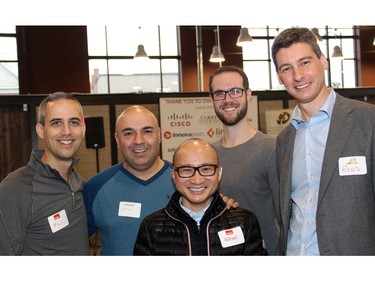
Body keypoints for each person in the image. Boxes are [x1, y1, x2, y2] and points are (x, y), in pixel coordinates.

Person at [271, 27, 375, 255]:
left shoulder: (368, 122)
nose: (298, 75)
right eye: (287, 68)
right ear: (279, 77)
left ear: (323, 61)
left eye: (305, 62)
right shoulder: (283, 141)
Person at [84, 105, 238, 256]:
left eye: (147, 131)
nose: (139, 140)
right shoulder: (96, 187)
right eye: (129, 133)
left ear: (158, 134)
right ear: (117, 138)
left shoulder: (188, 181)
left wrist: (222, 206)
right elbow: (73, 245)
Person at [133, 138, 266, 255]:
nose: (197, 180)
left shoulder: (244, 222)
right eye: (187, 170)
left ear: (218, 173)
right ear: (174, 176)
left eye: (206, 169)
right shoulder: (151, 227)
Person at [0, 92, 89, 255]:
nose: (66, 131)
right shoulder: (15, 189)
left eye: (74, 122)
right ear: (41, 130)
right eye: (56, 123)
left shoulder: (78, 182)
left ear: (82, 129)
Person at [209, 65, 280, 255]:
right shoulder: (208, 155)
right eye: (220, 93)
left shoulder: (271, 149)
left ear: (248, 94)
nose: (228, 99)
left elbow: (288, 215)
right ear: (212, 99)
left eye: (235, 91)